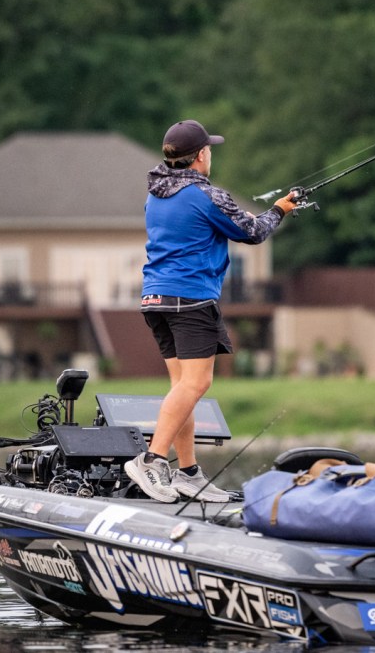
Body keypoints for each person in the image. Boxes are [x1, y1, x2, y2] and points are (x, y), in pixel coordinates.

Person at [124, 120, 301, 503]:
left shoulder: (156, 194)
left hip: (155, 299)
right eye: (209, 149)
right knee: (196, 384)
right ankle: (152, 460)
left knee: (182, 388)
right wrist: (280, 210)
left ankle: (188, 473)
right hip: (190, 299)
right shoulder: (206, 195)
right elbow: (252, 232)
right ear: (201, 155)